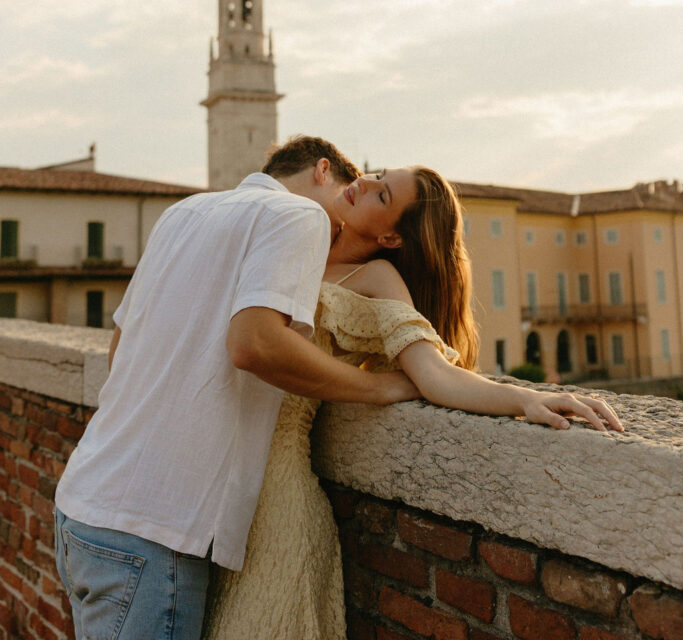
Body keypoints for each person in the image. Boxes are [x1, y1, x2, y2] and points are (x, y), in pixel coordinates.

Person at [203, 164, 623, 639]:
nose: (360, 183)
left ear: (391, 240)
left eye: (380, 196)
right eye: (373, 176)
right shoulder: (292, 239)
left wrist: (524, 399)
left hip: (276, 499)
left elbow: (435, 374)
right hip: (208, 489)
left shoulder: (376, 276)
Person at [53, 137, 420, 640]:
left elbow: (121, 349)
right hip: (153, 530)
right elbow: (253, 344)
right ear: (321, 172)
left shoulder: (184, 212)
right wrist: (376, 388)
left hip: (82, 506)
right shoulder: (301, 216)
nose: (335, 231)